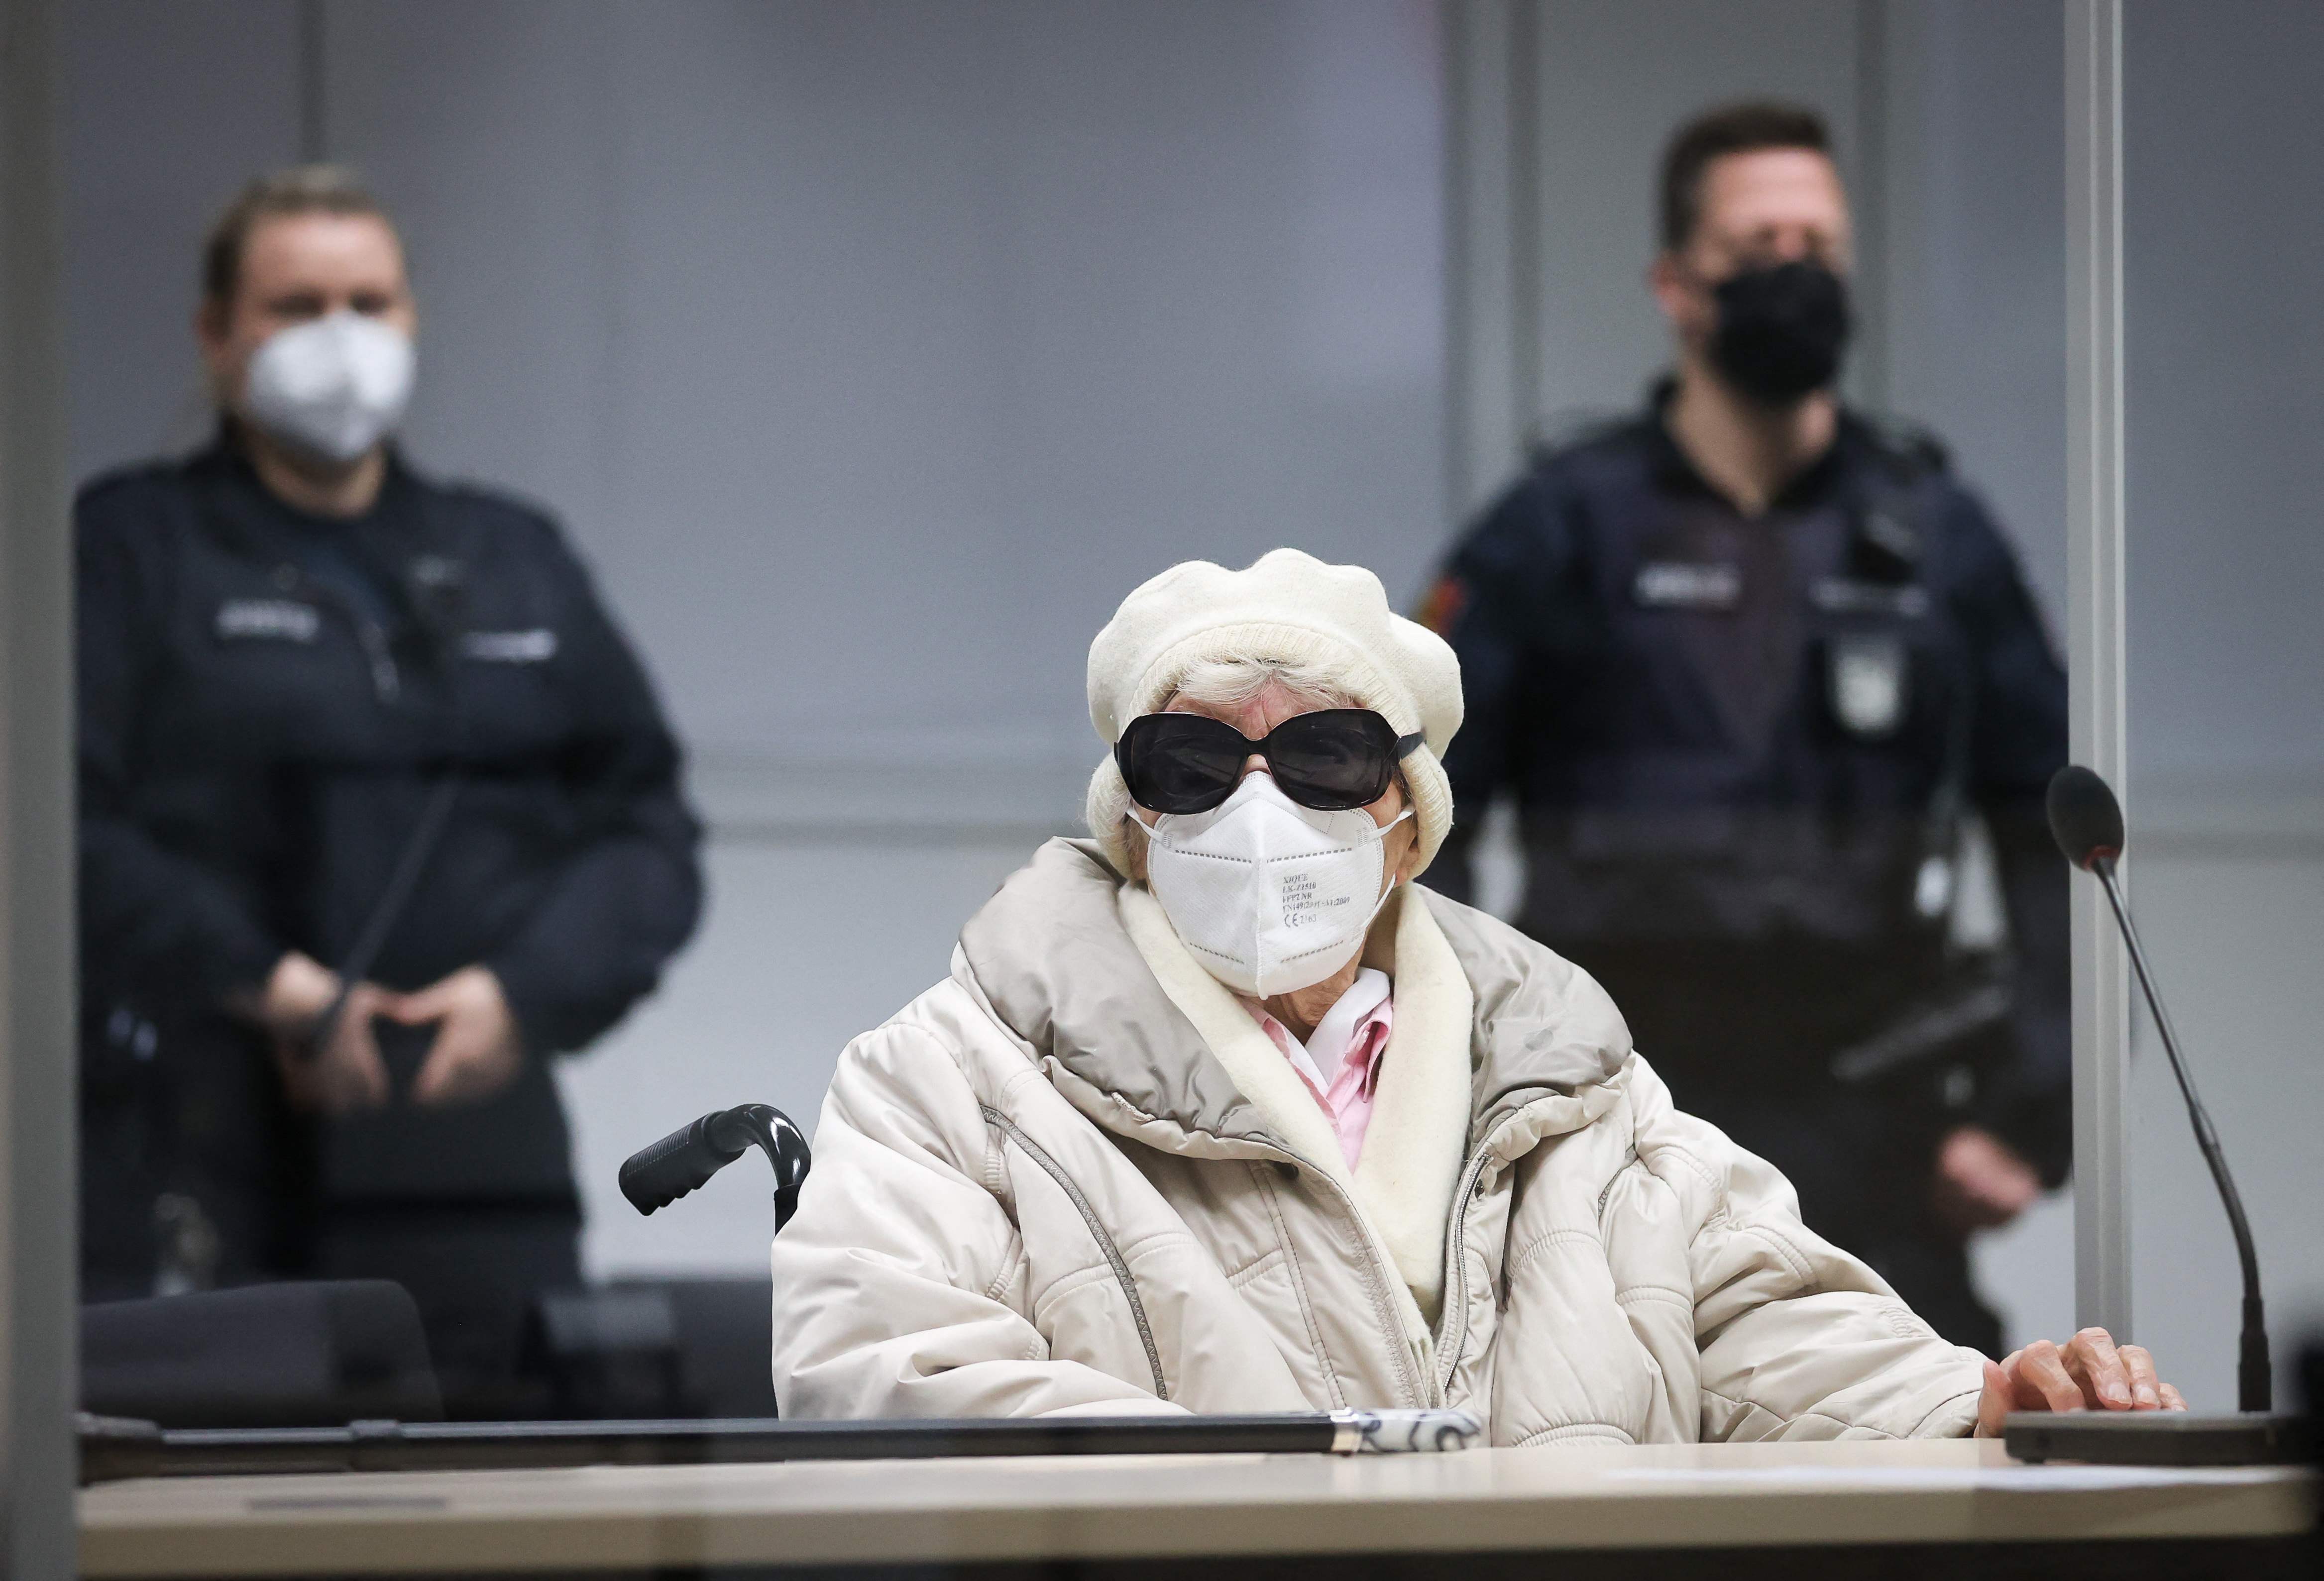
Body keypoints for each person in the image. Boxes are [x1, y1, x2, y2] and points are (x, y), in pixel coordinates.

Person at [769, 547, 2177, 1438]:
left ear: (1407, 813)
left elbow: (1752, 1326)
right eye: (1191, 764)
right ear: (1130, 816)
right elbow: (881, 1371)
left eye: (1320, 757)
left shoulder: (1573, 1082)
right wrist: (1311, 1492)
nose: (1255, 806)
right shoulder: (950, 1074)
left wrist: (1979, 1402)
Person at [1417, 103, 2068, 1354]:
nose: (1794, 272)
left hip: (1875, 1098)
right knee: (1608, 1442)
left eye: (1818, 245)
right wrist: (1469, 1076)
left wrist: (2033, 1107)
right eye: (1758, 243)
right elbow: (1418, 811)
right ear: (1677, 283)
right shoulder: (1564, 521)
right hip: (1619, 1095)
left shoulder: (1931, 530)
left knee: (1947, 1446)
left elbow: (2050, 826)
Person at [77, 166, 702, 1412]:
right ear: (217, 335)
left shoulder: (509, 558)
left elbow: (649, 833)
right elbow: (53, 828)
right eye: (297, 305)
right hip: (210, 1144)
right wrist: (272, 987)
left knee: (501, 1493)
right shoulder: (133, 545)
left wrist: (520, 996)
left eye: (369, 301)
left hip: (480, 1160)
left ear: (411, 320)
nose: (341, 339)